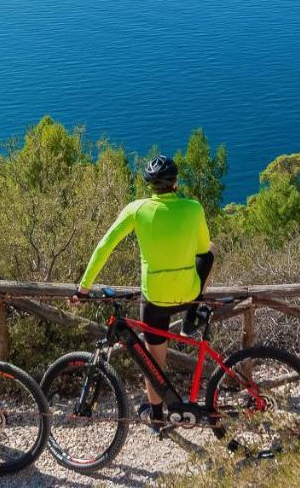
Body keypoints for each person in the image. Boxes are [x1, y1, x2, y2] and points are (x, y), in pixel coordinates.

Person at [72, 155, 214, 431]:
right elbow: (203, 250)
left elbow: (104, 247)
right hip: (187, 292)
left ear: (150, 185)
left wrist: (84, 287)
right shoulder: (193, 208)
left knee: (153, 363)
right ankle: (193, 313)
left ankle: (157, 416)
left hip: (155, 298)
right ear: (176, 182)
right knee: (212, 251)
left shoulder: (137, 209)